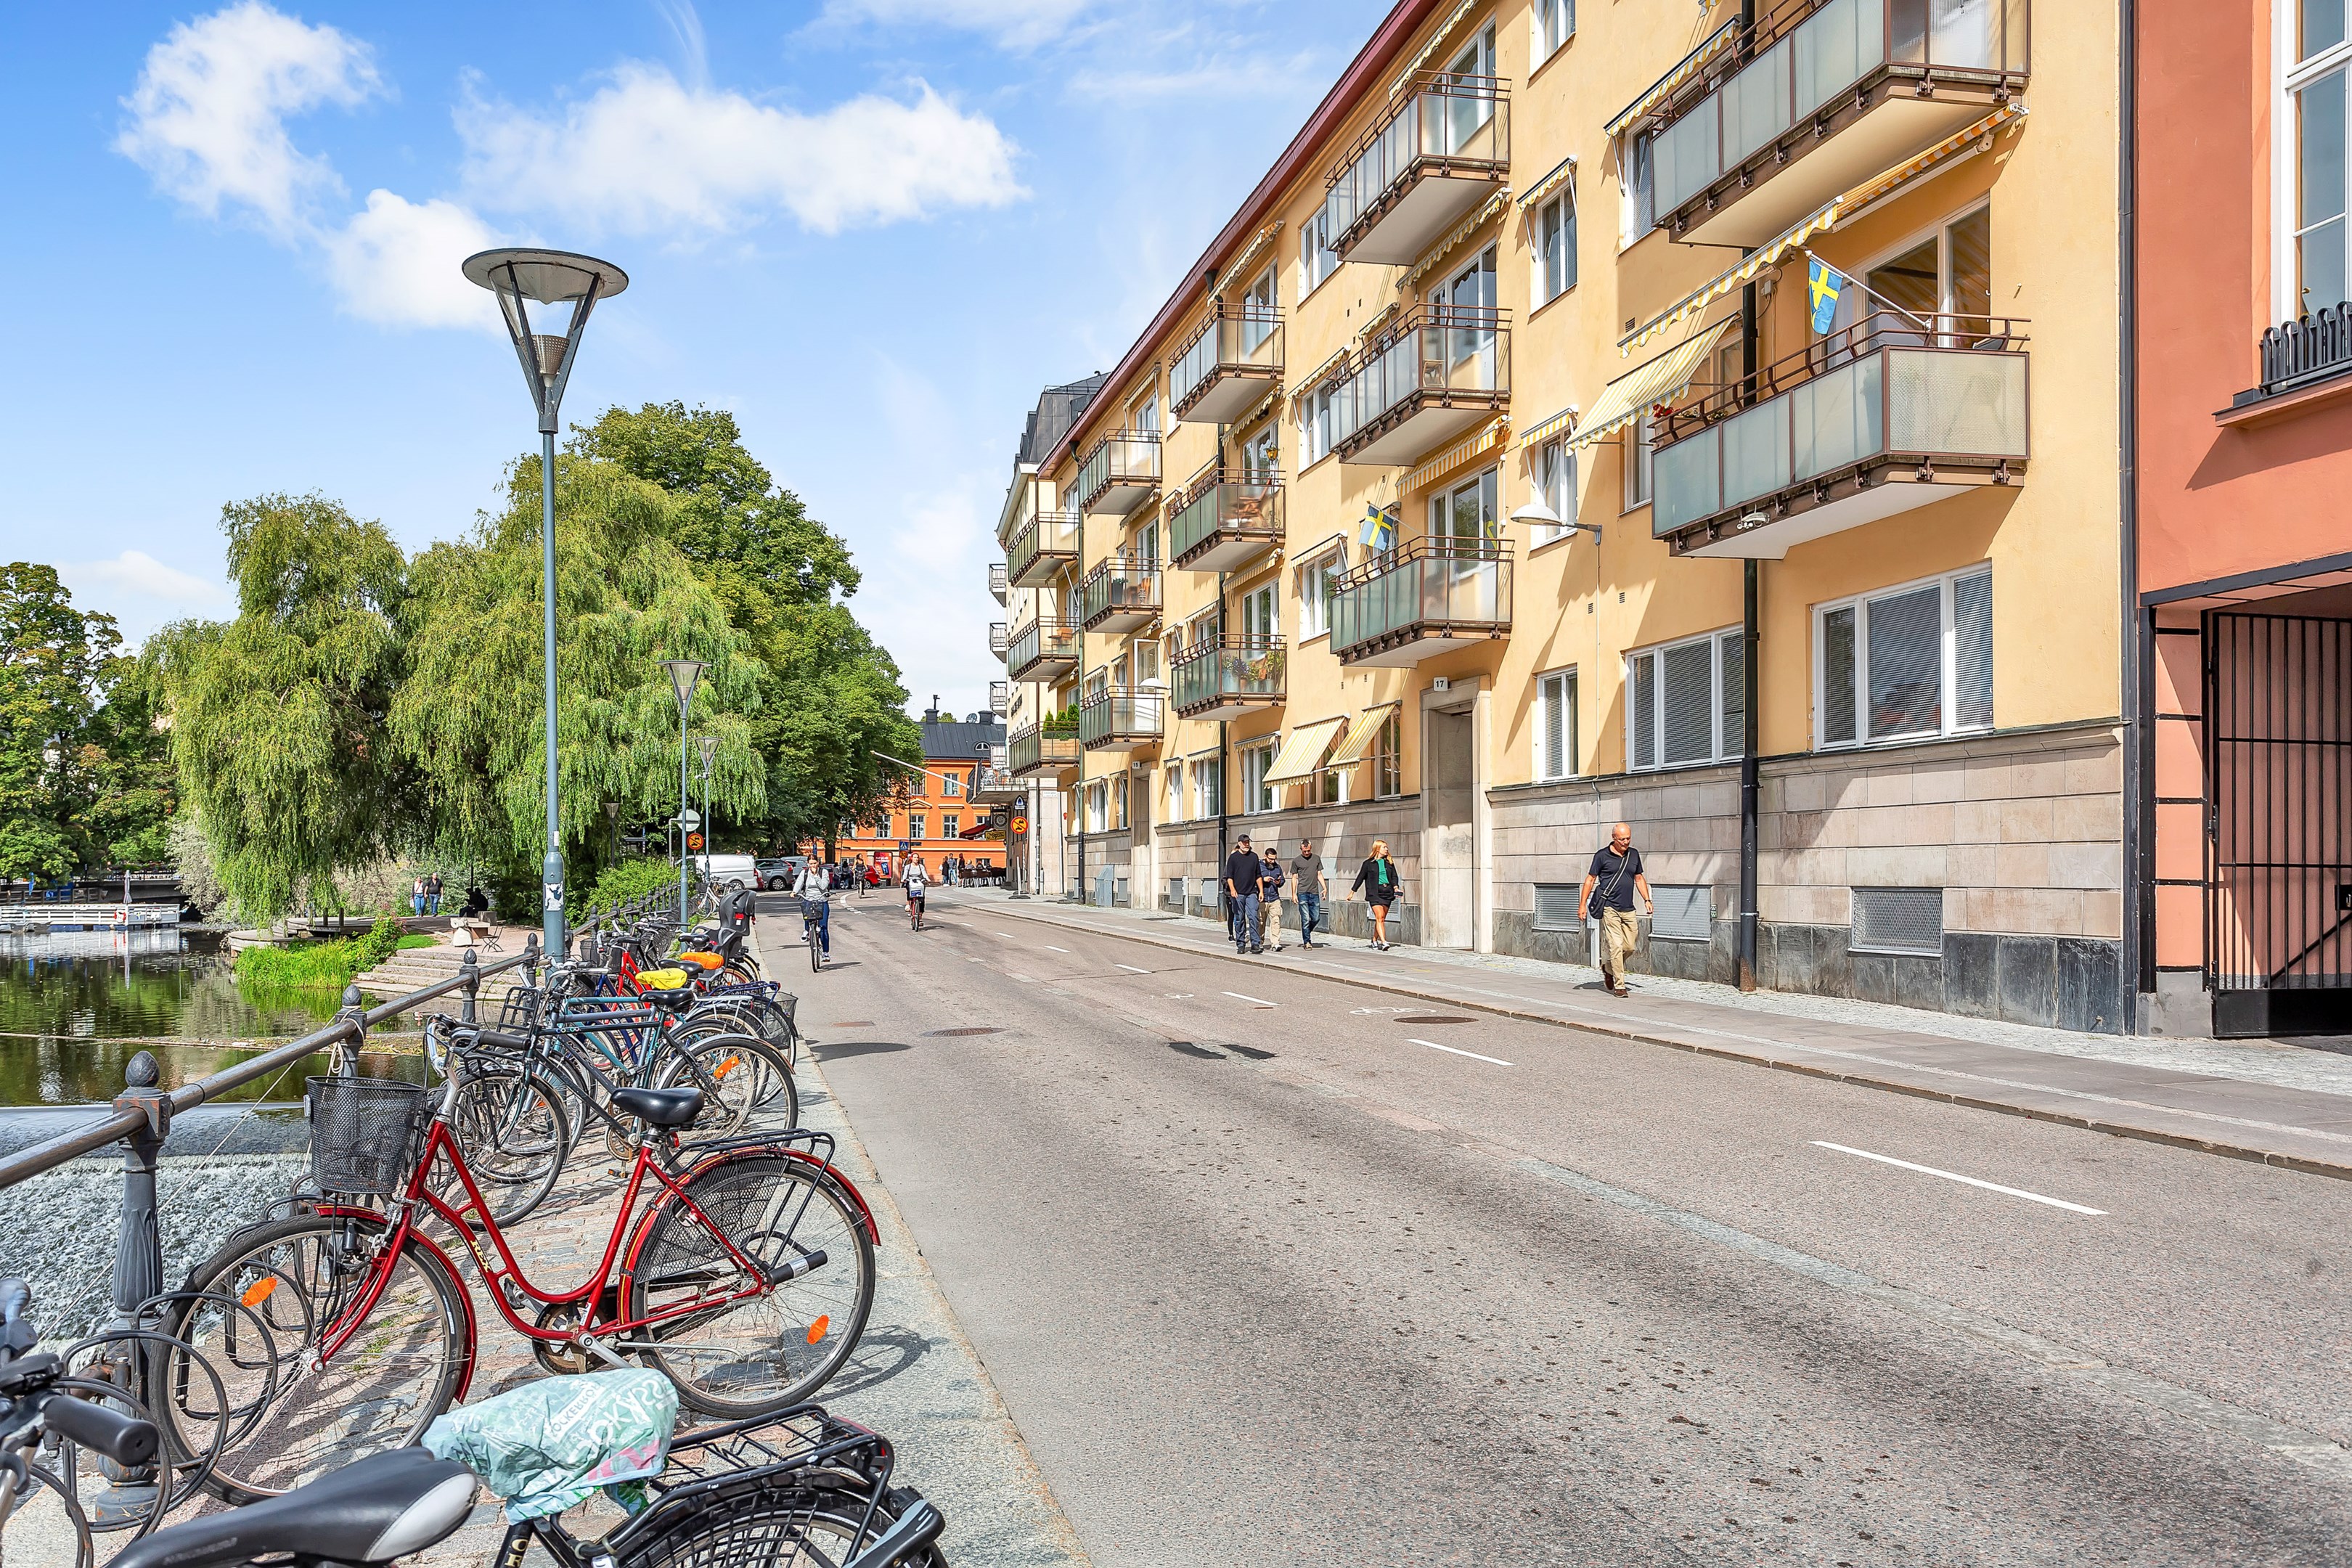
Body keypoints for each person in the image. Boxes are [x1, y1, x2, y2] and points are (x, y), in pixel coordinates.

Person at [1577, 821, 1654, 998]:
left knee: (1630, 946)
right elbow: (1590, 880)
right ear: (1614, 838)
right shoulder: (1602, 856)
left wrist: (1647, 900)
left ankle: (1609, 968)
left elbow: (1639, 878)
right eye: (1622, 839)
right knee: (1616, 946)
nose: (1626, 842)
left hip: (1629, 908)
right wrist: (1582, 905)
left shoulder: (1633, 855)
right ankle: (1620, 985)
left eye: (1628, 838)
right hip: (1609, 908)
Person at [1351, 840, 1401, 950]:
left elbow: (1394, 877)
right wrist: (1353, 891)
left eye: (1387, 847)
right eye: (1384, 847)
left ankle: (1374, 939)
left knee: (1382, 919)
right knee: (1379, 917)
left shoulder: (1389, 863)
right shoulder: (1368, 864)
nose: (1387, 849)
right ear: (1378, 849)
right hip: (1374, 893)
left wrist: (1396, 887)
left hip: (1387, 892)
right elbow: (1360, 878)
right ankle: (1384, 942)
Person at [790, 857, 831, 957]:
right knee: (806, 910)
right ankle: (806, 931)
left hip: (821, 900)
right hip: (809, 899)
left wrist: (816, 875)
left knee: (823, 928)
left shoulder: (823, 872)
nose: (813, 866)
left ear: (818, 863)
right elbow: (799, 882)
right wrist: (795, 891)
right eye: (811, 864)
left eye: (815, 863)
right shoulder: (804, 873)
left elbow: (823, 886)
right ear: (808, 864)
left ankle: (825, 953)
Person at [1291, 839, 1326, 948]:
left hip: (1314, 892)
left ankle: (1306, 931)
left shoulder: (1316, 859)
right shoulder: (1296, 861)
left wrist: (1325, 888)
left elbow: (1319, 874)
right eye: (1304, 851)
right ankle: (1307, 942)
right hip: (1302, 892)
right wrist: (1293, 894)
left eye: (1308, 851)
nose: (1306, 853)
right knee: (1305, 918)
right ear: (1301, 849)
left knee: (1316, 918)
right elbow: (1294, 878)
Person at [1257, 841, 1287, 953]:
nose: (1273, 861)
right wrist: (1263, 880)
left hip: (1274, 898)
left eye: (1274, 859)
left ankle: (1276, 943)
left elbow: (1282, 880)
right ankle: (1259, 942)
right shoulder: (1259, 866)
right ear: (1265, 856)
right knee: (1261, 922)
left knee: (1276, 921)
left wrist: (1279, 882)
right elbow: (1254, 879)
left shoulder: (1277, 867)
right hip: (1262, 898)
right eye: (1271, 859)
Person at [904, 854, 931, 929]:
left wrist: (927, 879)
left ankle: (920, 917)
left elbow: (924, 874)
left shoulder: (921, 866)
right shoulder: (908, 867)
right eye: (915, 857)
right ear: (912, 858)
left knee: (921, 900)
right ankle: (909, 904)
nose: (916, 859)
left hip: (919, 881)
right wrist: (903, 879)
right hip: (910, 881)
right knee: (908, 887)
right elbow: (905, 874)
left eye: (917, 858)